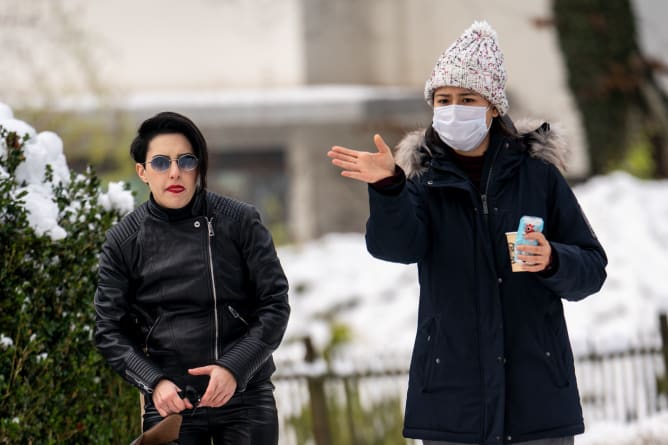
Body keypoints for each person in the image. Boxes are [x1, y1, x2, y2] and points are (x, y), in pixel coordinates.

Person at [328, 21, 606, 445]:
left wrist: (553, 259)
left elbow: (592, 269)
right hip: (451, 402)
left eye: (466, 99)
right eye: (443, 99)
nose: (453, 109)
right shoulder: (422, 181)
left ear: (492, 107)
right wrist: (388, 188)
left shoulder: (538, 179)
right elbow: (395, 247)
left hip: (537, 401)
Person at [94, 111, 290, 444]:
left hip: (244, 396)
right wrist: (154, 382)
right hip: (171, 404)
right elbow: (109, 329)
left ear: (198, 166)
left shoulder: (240, 221)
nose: (175, 172)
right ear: (142, 171)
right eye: (160, 162)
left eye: (186, 161)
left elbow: (274, 305)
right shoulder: (123, 240)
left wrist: (234, 368)